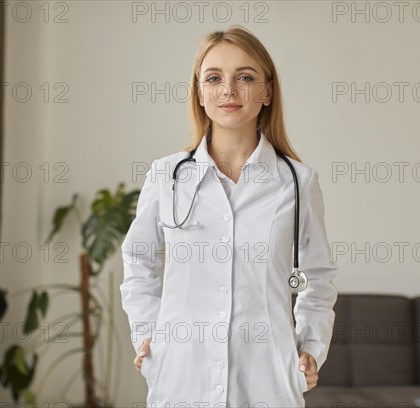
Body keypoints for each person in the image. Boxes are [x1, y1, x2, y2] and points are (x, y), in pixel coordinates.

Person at [120, 25, 339, 408]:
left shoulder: (298, 183)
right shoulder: (166, 176)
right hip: (181, 375)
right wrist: (147, 333)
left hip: (268, 379)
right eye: (214, 78)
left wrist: (309, 347)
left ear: (267, 91)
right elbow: (138, 261)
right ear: (200, 92)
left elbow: (317, 278)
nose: (228, 90)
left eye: (245, 77)